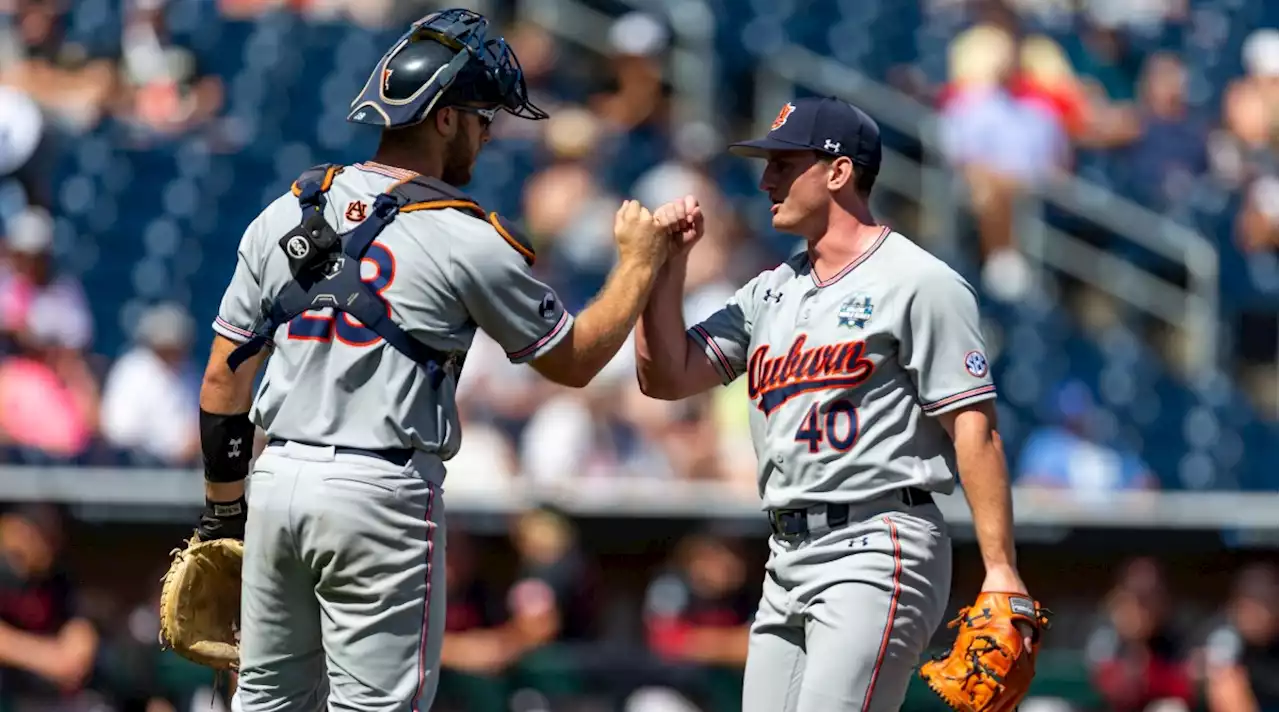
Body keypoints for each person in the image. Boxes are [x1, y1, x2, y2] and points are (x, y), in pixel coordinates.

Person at [191, 9, 672, 711]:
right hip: (379, 490)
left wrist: (221, 515)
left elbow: (221, 377)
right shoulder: (464, 235)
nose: (486, 134)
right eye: (481, 118)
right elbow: (573, 361)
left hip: (278, 478)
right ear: (444, 119)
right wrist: (638, 265)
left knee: (265, 702)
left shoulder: (287, 210)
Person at [634, 96, 1036, 711]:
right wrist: (662, 270)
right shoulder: (768, 291)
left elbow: (974, 432)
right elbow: (665, 376)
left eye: (784, 163)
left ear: (839, 171)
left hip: (879, 539)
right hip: (785, 554)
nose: (766, 179)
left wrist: (1000, 568)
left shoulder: (919, 281)